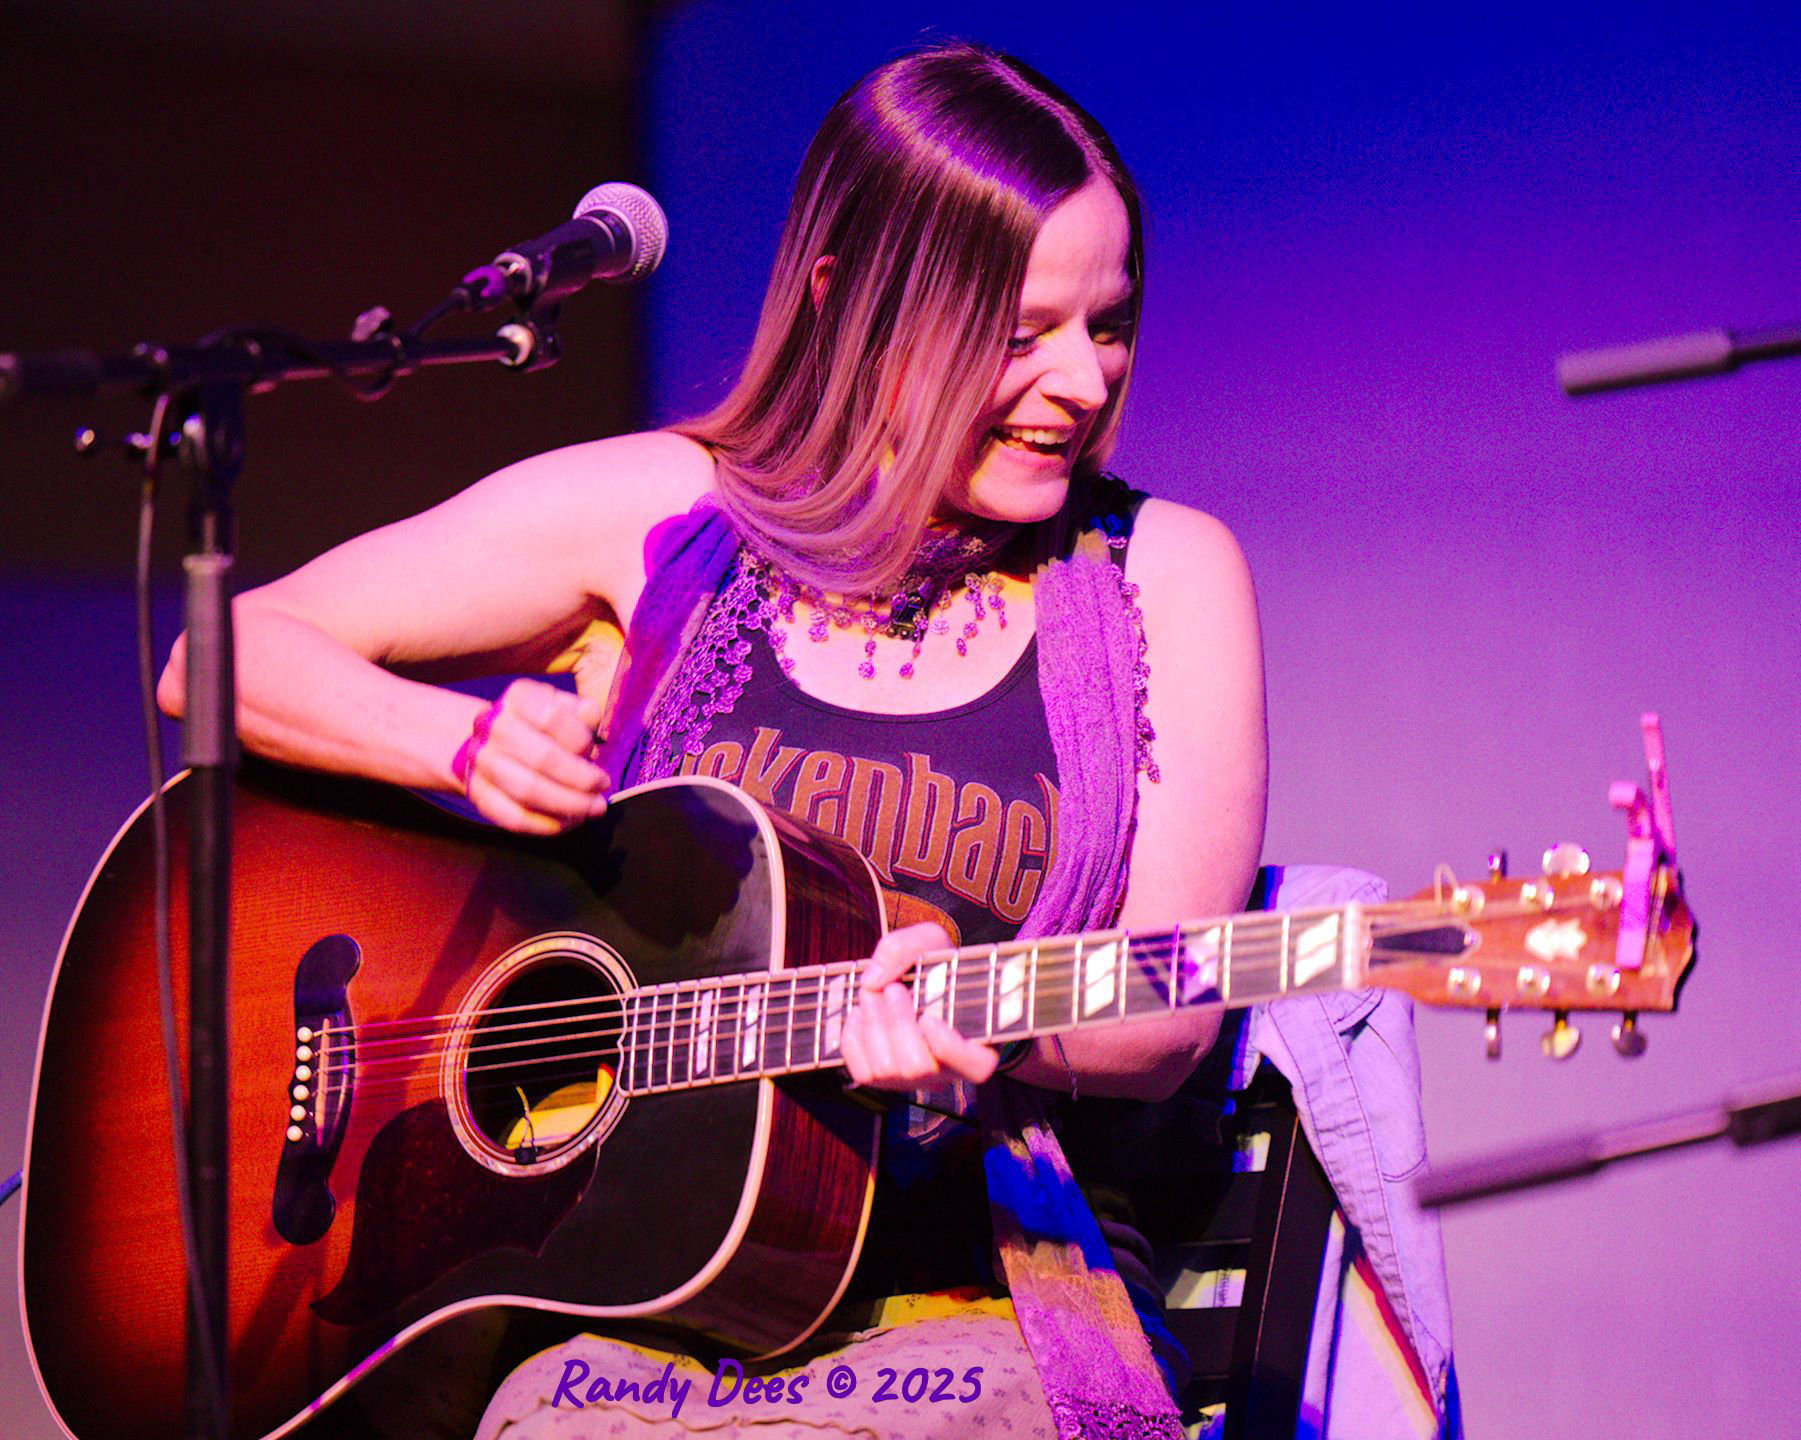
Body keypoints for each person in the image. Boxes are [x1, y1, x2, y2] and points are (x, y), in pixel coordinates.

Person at [159, 40, 1446, 1440]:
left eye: (1108, 323)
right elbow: (217, 657)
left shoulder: (1162, 574)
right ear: (849, 306)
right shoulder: (665, 514)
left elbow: (1168, 1016)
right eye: (1019, 334)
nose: (1082, 381)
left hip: (976, 1306)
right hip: (613, 1304)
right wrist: (457, 748)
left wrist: (985, 1020)